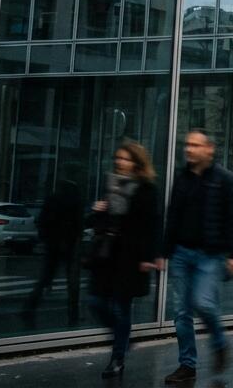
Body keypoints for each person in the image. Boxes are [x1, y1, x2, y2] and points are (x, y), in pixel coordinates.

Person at [160, 130, 233, 384]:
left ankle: (220, 344)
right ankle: (187, 364)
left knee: (203, 303)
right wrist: (163, 251)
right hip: (181, 253)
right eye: (187, 144)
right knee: (181, 312)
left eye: (195, 145)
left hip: (210, 254)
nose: (189, 149)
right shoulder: (182, 178)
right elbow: (172, 216)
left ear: (209, 149)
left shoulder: (225, 179)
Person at [85, 142, 160, 379]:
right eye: (118, 158)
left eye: (126, 159)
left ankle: (117, 358)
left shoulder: (147, 189)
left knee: (121, 307)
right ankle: (123, 337)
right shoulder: (112, 184)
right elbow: (98, 223)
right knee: (96, 301)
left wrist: (149, 256)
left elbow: (152, 225)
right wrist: (97, 211)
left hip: (129, 257)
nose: (120, 162)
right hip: (106, 254)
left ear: (137, 163)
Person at [23, 179, 83, 329]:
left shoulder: (52, 199)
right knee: (72, 283)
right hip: (69, 244)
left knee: (46, 278)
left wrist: (47, 238)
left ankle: (29, 307)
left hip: (53, 244)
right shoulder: (75, 201)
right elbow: (78, 224)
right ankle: (73, 315)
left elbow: (42, 221)